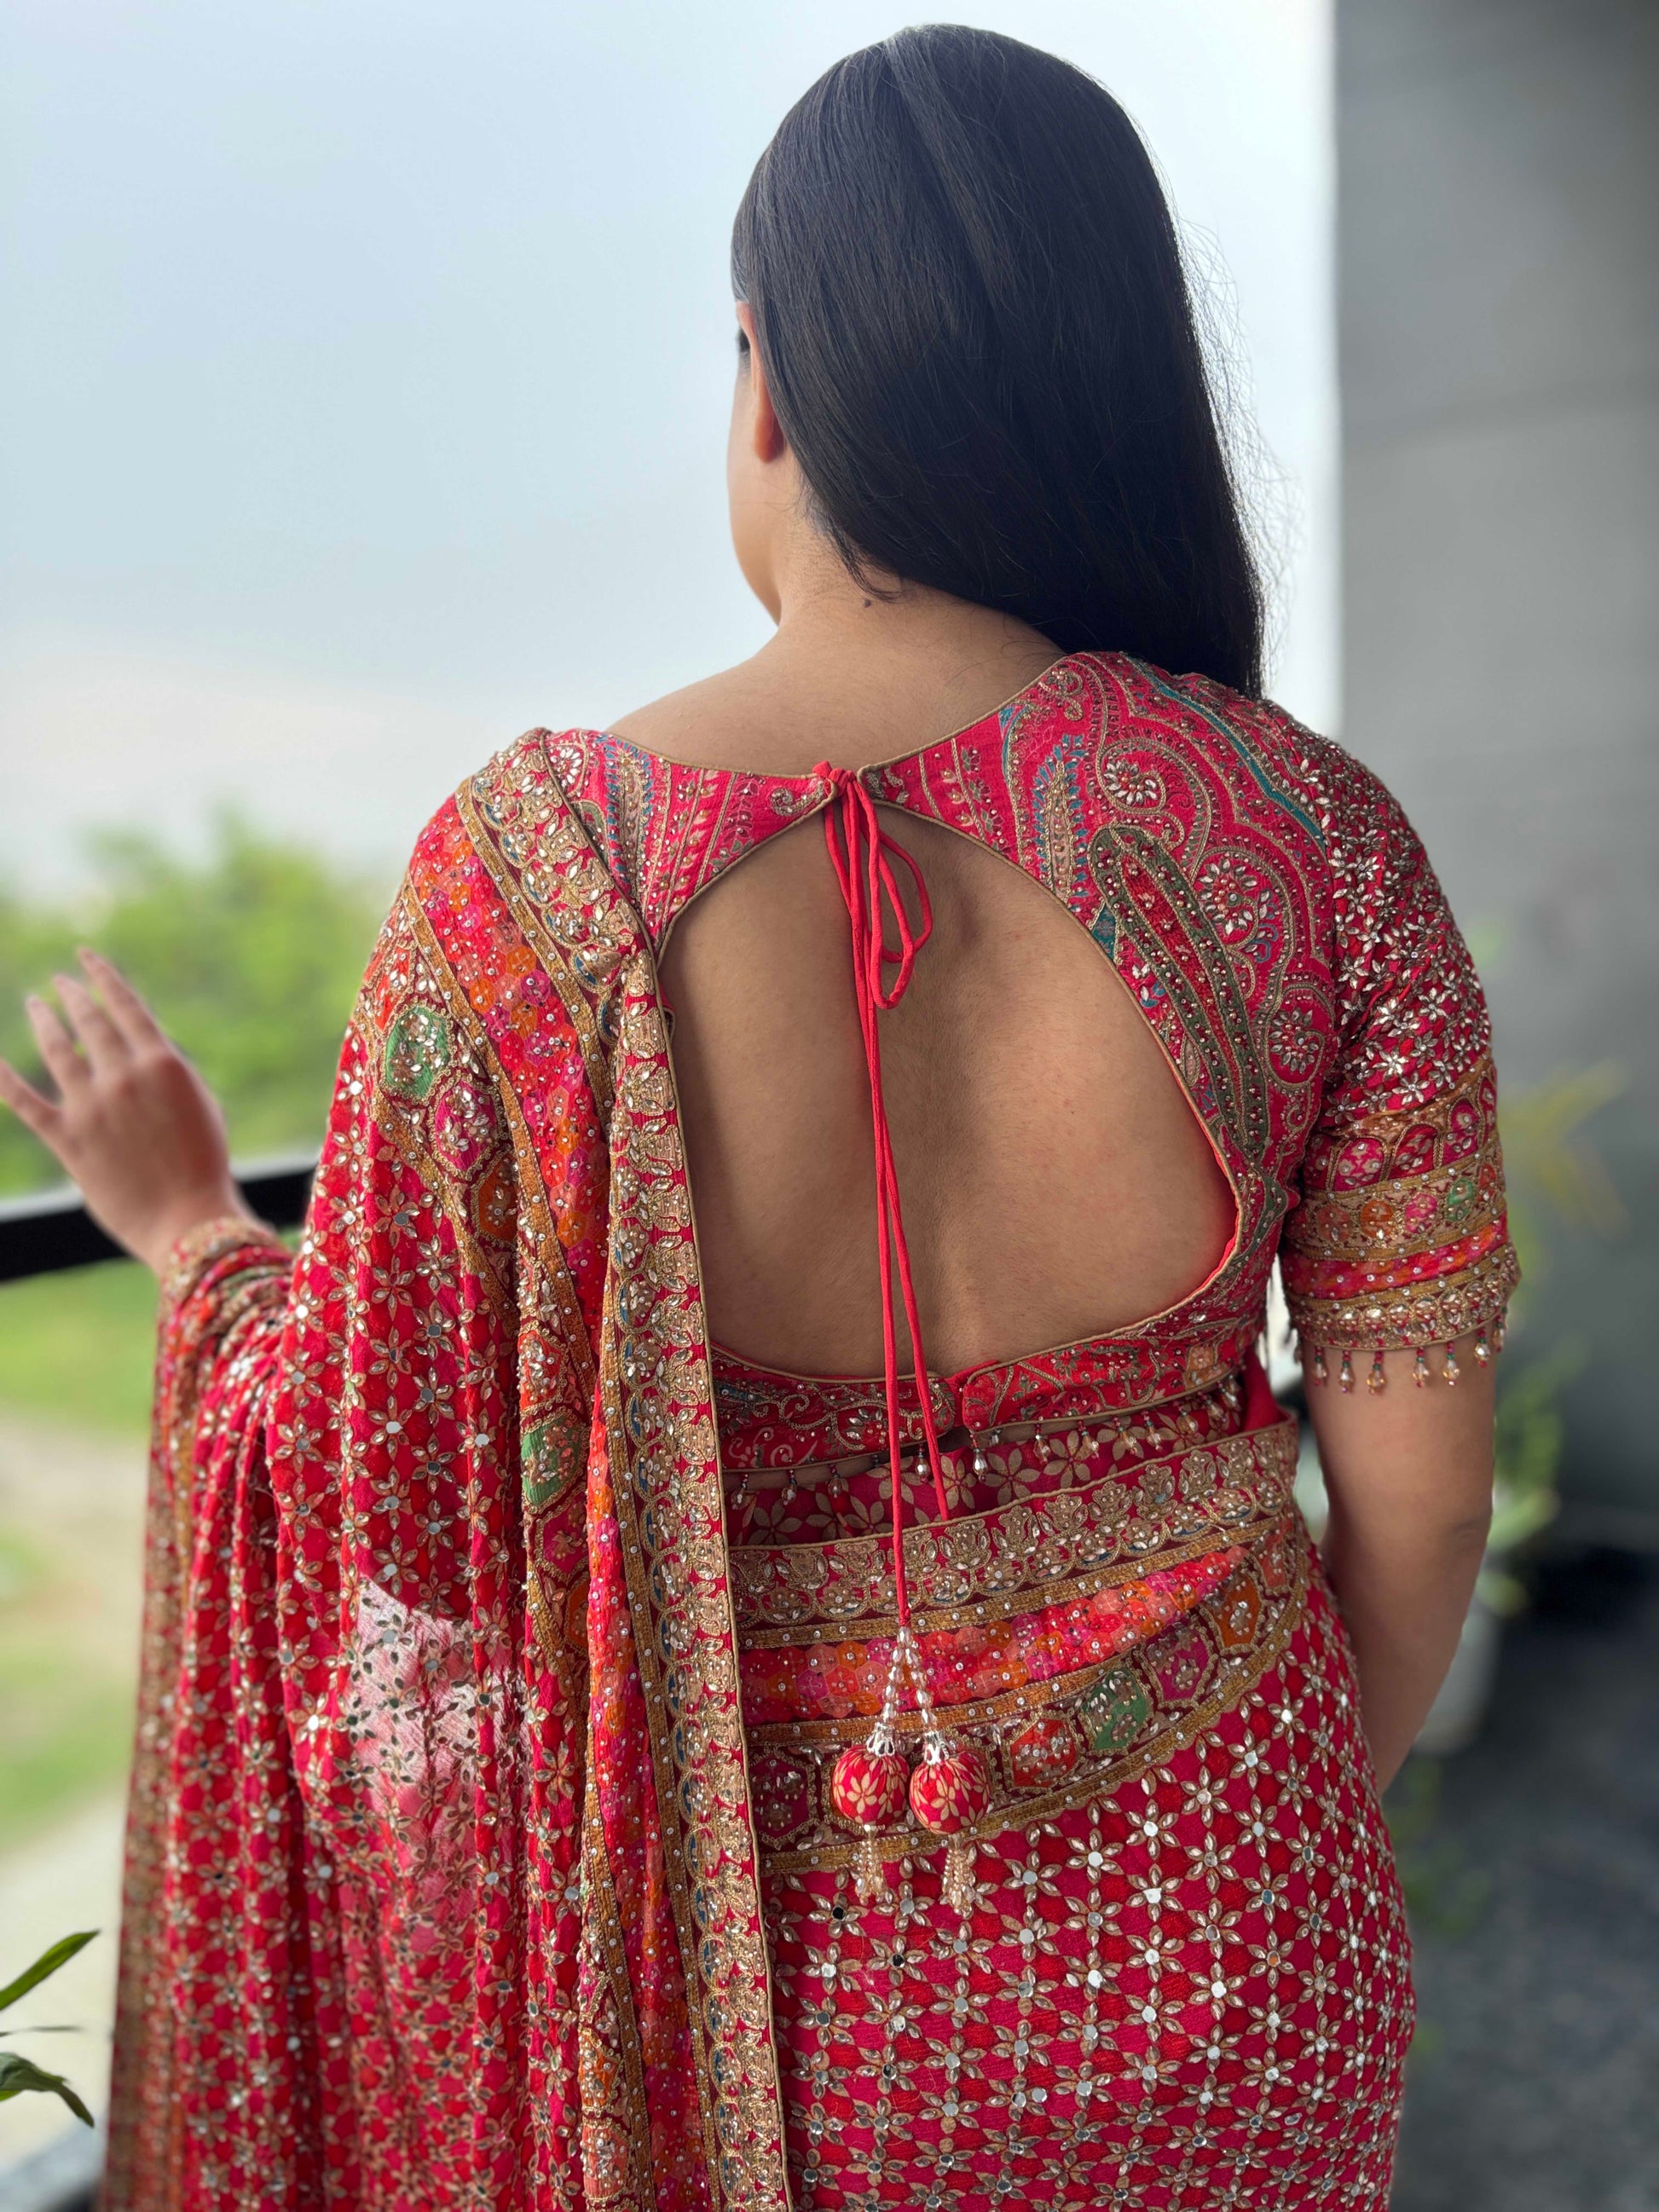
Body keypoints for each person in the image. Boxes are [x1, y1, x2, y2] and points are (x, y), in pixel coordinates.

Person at [0, 26, 1514, 2211]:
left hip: (739, 2024)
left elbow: (379, 1523)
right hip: (1240, 1932)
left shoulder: (527, 882)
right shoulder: (1313, 841)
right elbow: (1424, 1508)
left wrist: (188, 1233)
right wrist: (1265, 1823)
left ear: (774, 388)